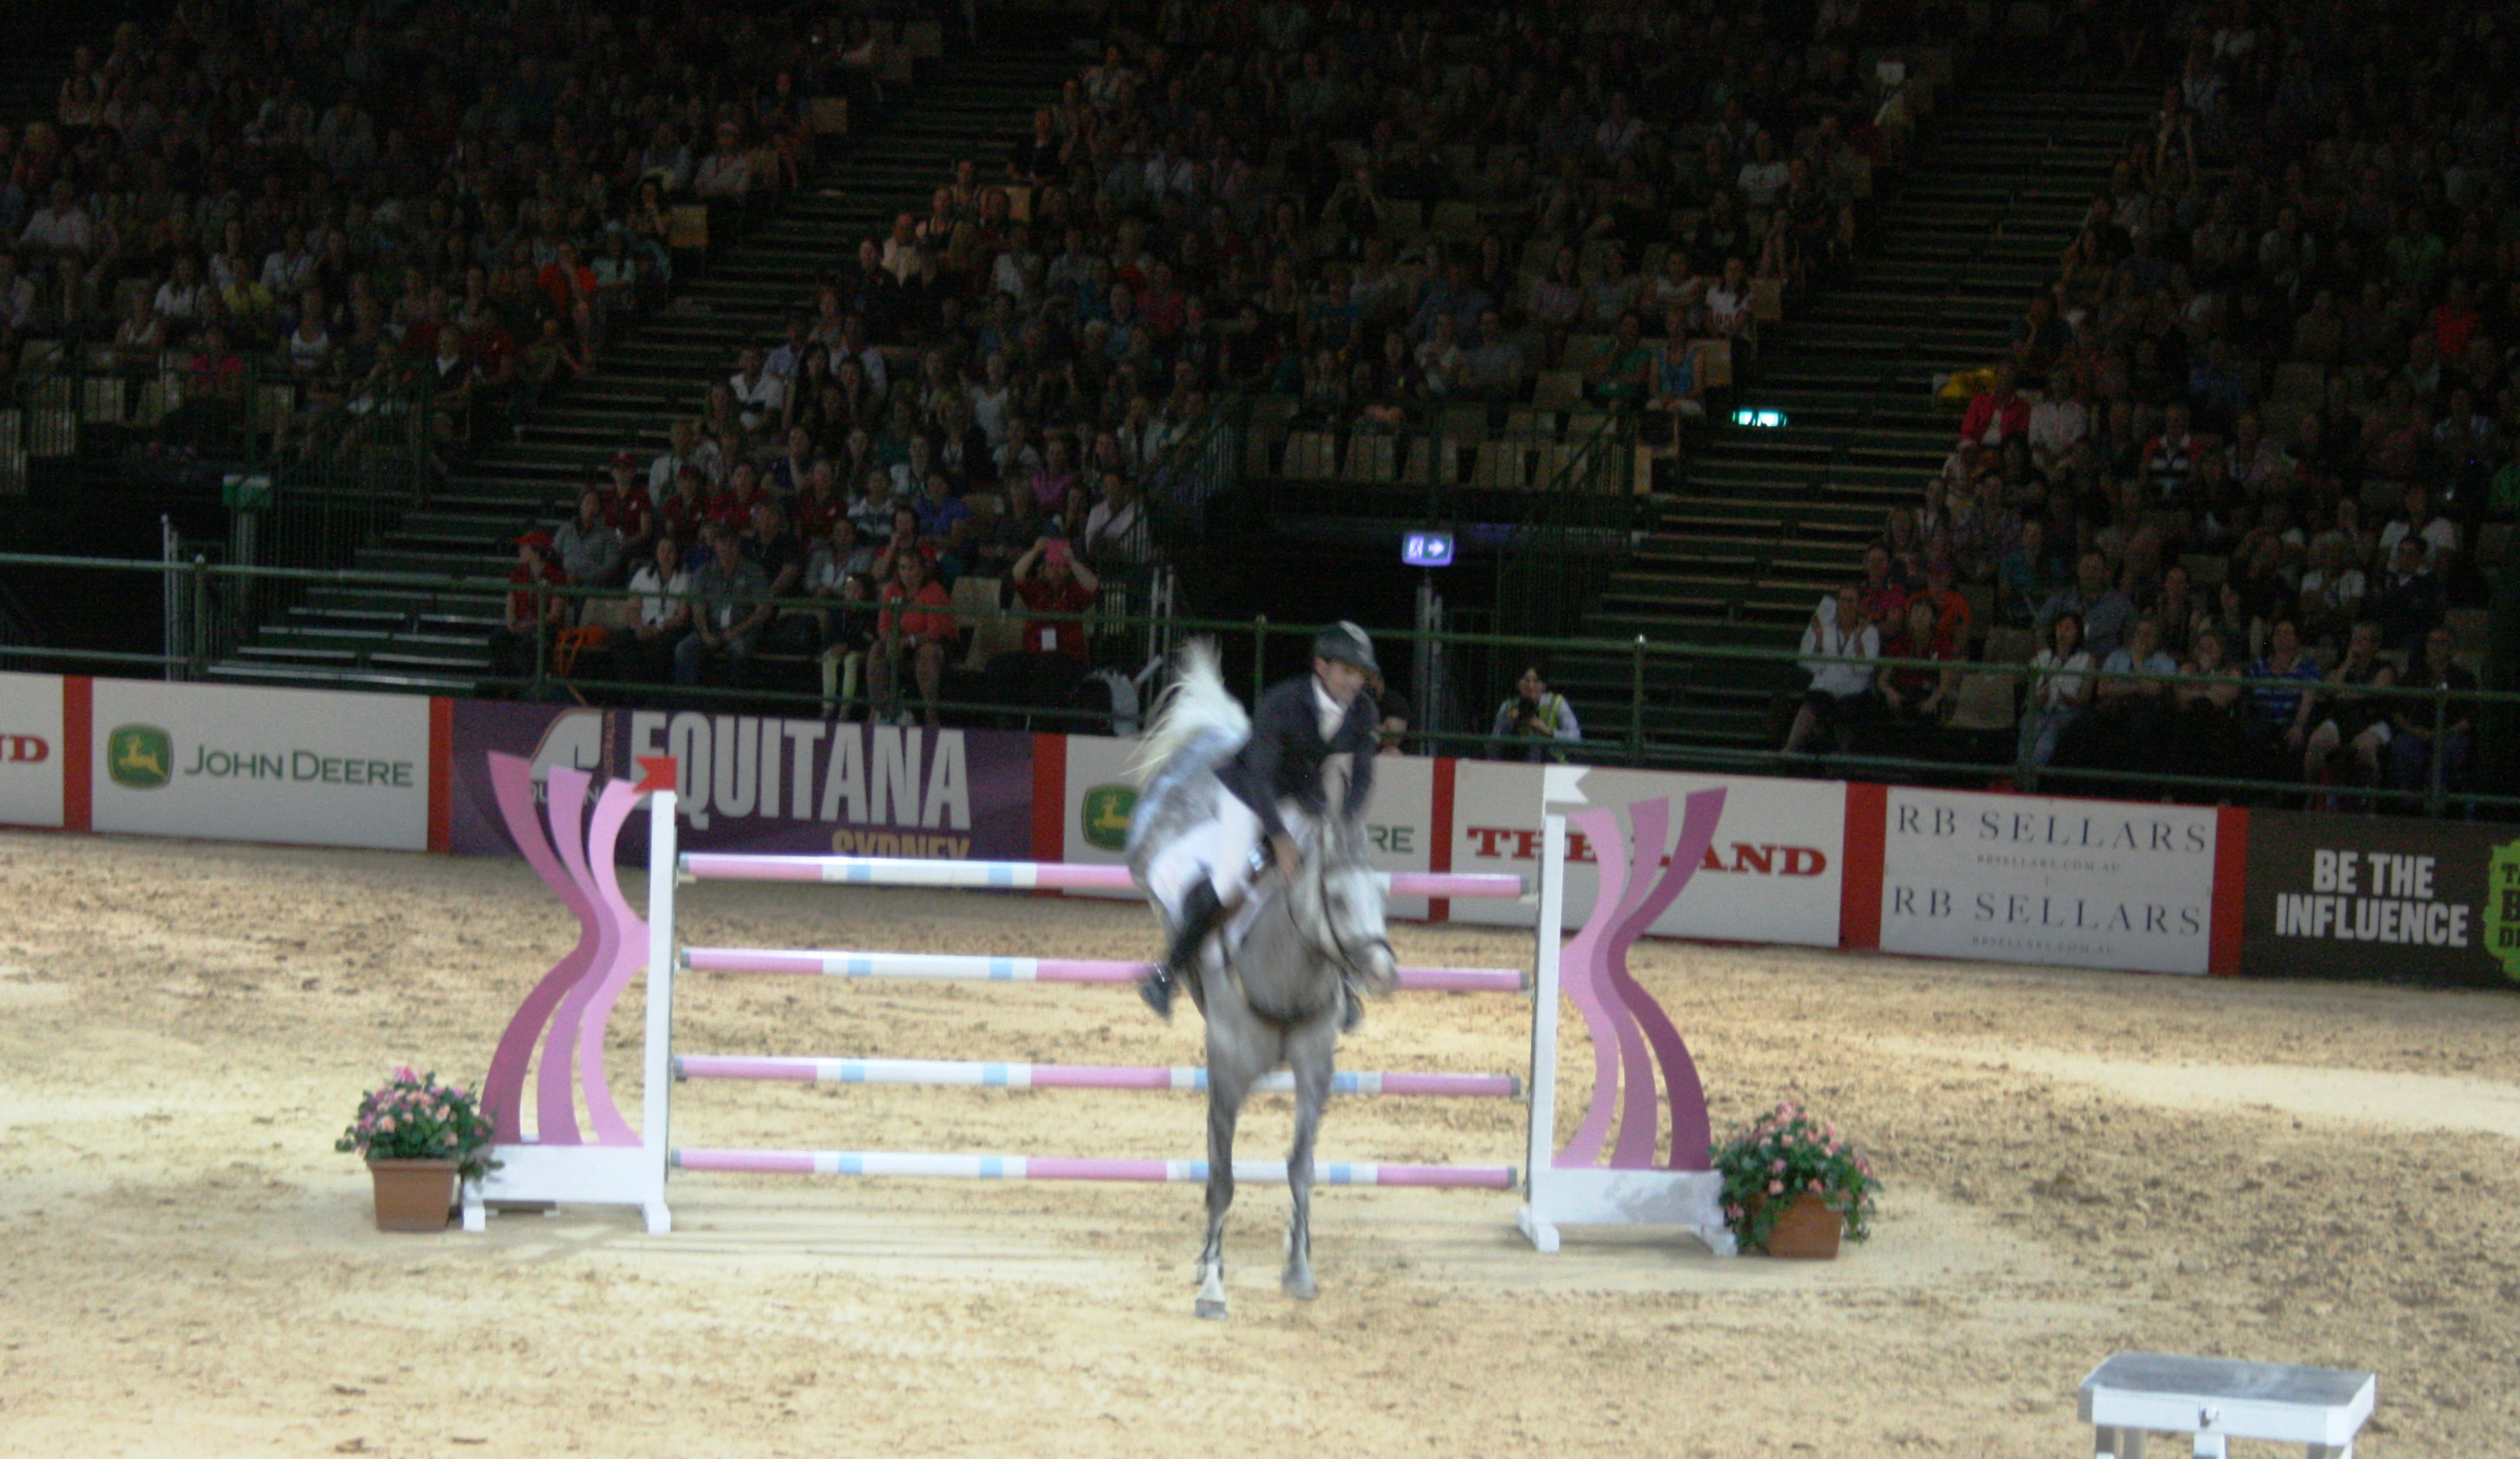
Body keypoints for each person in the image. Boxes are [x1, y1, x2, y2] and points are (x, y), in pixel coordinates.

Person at [1138, 623, 1381, 1027]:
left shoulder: (1363, 711)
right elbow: (1261, 778)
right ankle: (1166, 973)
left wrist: (1347, 823)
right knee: (1233, 879)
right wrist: (1280, 839)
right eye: (1347, 671)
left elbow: (1364, 777)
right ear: (1321, 666)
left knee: (1328, 879)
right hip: (1248, 795)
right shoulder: (1283, 703)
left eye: (1360, 674)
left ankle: (1344, 984)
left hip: (1303, 799)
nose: (1355, 681)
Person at [1003, 536, 1099, 717]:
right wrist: (1035, 551)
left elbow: (1092, 585)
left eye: (1060, 566)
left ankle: (1042, 727)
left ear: (1068, 570)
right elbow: (1017, 574)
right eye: (1051, 566)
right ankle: (1007, 724)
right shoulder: (1037, 590)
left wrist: (1071, 560)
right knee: (999, 666)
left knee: (1048, 669)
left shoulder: (1073, 592)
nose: (1055, 570)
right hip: (1035, 655)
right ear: (1044, 569)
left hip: (1067, 657)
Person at [675, 521, 772, 689]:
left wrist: (732, 633)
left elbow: (763, 611)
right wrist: (705, 632)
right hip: (712, 626)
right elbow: (697, 606)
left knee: (738, 650)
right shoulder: (704, 571)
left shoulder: (754, 572)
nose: (725, 548)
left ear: (737, 545)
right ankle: (686, 699)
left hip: (742, 628)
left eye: (730, 544)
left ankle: (733, 702)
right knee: (684, 649)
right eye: (721, 543)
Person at [1783, 586, 1878, 756]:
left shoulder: (1870, 632)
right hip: (1825, 689)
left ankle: (1843, 759)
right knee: (1810, 706)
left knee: (1847, 712)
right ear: (1837, 603)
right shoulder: (1824, 628)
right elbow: (1811, 665)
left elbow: (1865, 669)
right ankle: (1789, 749)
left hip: (1854, 692)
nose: (1847, 605)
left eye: (1851, 601)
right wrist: (1818, 641)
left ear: (1859, 604)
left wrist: (1857, 640)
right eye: (1843, 600)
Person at [868, 548, 958, 727]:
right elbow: (884, 626)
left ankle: (930, 713)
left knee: (927, 653)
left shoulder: (934, 591)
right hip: (900, 641)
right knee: (877, 649)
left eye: (912, 568)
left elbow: (935, 631)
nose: (907, 573)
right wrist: (891, 641)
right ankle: (879, 709)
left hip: (933, 642)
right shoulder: (892, 590)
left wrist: (909, 642)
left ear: (922, 570)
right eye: (903, 568)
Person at [2388, 625, 2476, 802]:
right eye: (2432, 642)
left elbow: (2470, 718)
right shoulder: (2414, 675)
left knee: (2449, 750)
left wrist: (2443, 734)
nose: (2435, 647)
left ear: (2453, 649)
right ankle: (2410, 802)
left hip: (2450, 733)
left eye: (2442, 643)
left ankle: (2442, 803)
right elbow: (2397, 713)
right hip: (2418, 732)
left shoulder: (2464, 679)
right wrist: (2416, 731)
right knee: (2403, 746)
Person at [489, 532, 567, 691]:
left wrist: (531, 624)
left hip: (544, 626)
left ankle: (527, 687)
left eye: (524, 547)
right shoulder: (518, 574)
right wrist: (511, 622)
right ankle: (505, 684)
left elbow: (555, 615)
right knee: (498, 637)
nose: (520, 550)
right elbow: (510, 604)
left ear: (536, 551)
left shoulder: (556, 577)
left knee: (530, 643)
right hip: (522, 622)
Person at [2017, 610, 2093, 772]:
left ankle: (2032, 774)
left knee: (2051, 729)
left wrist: (2065, 699)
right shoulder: (2041, 658)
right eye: (2061, 627)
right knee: (2031, 726)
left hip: (2067, 711)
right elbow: (2030, 698)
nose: (2064, 632)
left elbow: (2084, 699)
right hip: (2040, 709)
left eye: (2069, 628)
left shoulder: (2087, 660)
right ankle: (2021, 773)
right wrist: (2042, 697)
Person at [619, 533, 692, 684]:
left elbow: (682, 616)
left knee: (660, 650)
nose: (666, 555)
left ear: (677, 555)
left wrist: (657, 628)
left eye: (670, 550)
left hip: (668, 627)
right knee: (623, 642)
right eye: (662, 550)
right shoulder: (642, 575)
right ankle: (631, 694)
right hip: (643, 624)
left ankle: (654, 698)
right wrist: (639, 628)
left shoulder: (685, 579)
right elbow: (633, 608)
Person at [1490, 663, 1582, 761]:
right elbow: (1493, 746)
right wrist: (1508, 723)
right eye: (1526, 681)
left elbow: (1575, 739)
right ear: (1518, 684)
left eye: (1536, 681)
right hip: (1517, 766)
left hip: (1552, 766)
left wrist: (1549, 732)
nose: (1531, 686)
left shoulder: (1557, 703)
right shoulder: (1508, 707)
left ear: (1543, 685)